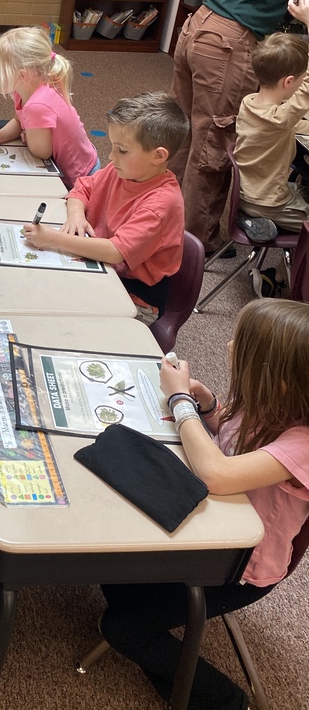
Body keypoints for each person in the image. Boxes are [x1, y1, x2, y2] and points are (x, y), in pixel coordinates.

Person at [100, 298, 309, 710]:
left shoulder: (302, 446)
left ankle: (228, 701)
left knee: (121, 626)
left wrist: (180, 401)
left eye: (240, 346)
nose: (227, 345)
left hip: (237, 569)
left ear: (278, 380)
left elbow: (217, 474)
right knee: (110, 557)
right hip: (209, 528)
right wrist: (207, 404)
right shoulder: (272, 403)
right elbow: (230, 432)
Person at [169, 0, 309, 256]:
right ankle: (195, 242)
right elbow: (303, 13)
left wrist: (230, 9)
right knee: (212, 144)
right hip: (228, 46)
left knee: (184, 129)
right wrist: (245, 21)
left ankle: (164, 220)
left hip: (197, 25)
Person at [22, 92, 188, 321]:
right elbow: (82, 187)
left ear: (158, 156)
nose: (111, 156)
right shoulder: (123, 169)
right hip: (102, 269)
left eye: (122, 150)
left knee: (53, 310)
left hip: (135, 297)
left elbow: (115, 252)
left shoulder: (160, 205)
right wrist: (76, 216)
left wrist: (52, 238)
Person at [0, 26, 99, 189]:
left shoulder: (37, 106)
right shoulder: (25, 91)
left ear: (22, 75)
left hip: (80, 178)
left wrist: (27, 135)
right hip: (77, 166)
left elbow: (42, 152)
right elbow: (19, 121)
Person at [235, 28, 309, 232]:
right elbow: (306, 91)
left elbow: (291, 125)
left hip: (250, 192)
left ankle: (255, 219)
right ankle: (264, 225)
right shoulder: (279, 118)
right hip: (268, 203)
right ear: (288, 82)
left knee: (303, 190)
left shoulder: (249, 103)